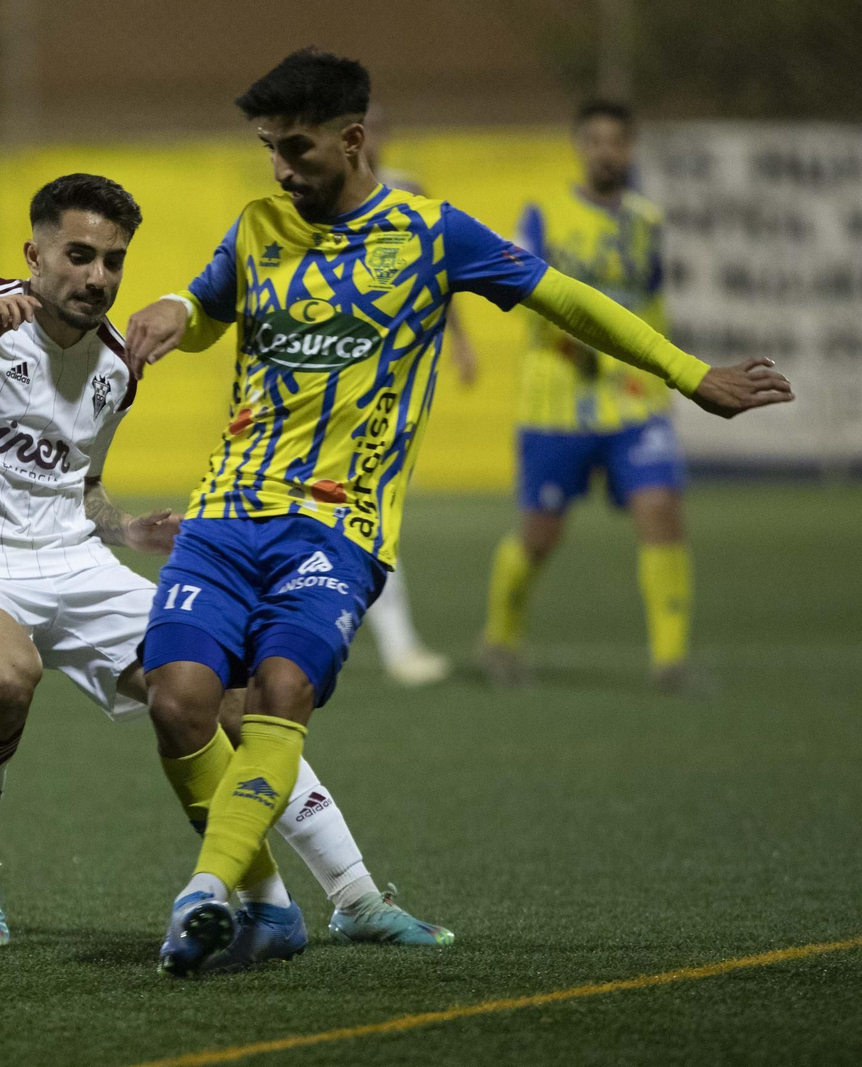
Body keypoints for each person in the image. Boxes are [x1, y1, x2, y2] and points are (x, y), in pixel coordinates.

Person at [123, 49, 792, 976]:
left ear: (353, 139)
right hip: (225, 515)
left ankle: (207, 891)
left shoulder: (433, 233)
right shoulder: (258, 225)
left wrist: (688, 375)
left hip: (339, 528)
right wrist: (174, 309)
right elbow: (206, 307)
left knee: (281, 693)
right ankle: (271, 908)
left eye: (296, 148)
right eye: (269, 147)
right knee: (177, 701)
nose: (279, 169)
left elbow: (568, 298)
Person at [0, 173, 452, 969]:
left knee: (224, 695)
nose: (98, 277)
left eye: (113, 261)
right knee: (6, 678)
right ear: (34, 255)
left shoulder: (118, 363)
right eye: (78, 256)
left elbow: (80, 483)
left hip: (76, 563)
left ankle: (356, 896)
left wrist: (124, 527)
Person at [481, 101, 694, 689]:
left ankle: (670, 661)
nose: (606, 152)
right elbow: (519, 288)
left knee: (661, 509)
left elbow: (652, 304)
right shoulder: (542, 215)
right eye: (595, 140)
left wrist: (663, 371)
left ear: (630, 149)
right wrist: (582, 337)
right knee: (540, 534)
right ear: (579, 146)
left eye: (616, 141)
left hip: (635, 401)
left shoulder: (647, 222)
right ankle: (500, 639)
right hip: (555, 403)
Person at [356, 103, 479, 687]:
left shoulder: (409, 195)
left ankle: (397, 644)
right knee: (357, 507)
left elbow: (441, 274)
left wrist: (461, 341)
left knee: (362, 505)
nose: (367, 140)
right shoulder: (307, 202)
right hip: (328, 381)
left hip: (385, 380)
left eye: (375, 128)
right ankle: (397, 646)